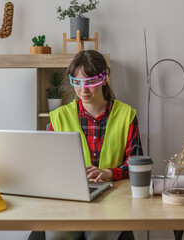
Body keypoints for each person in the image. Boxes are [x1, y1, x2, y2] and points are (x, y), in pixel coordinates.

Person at [46, 50, 142, 240]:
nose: (84, 90)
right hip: (69, 200)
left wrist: (110, 173)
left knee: (100, 236)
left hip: (112, 199)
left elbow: (137, 165)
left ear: (104, 79)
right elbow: (50, 166)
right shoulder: (59, 117)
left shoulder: (126, 115)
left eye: (90, 82)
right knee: (58, 237)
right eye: (77, 82)